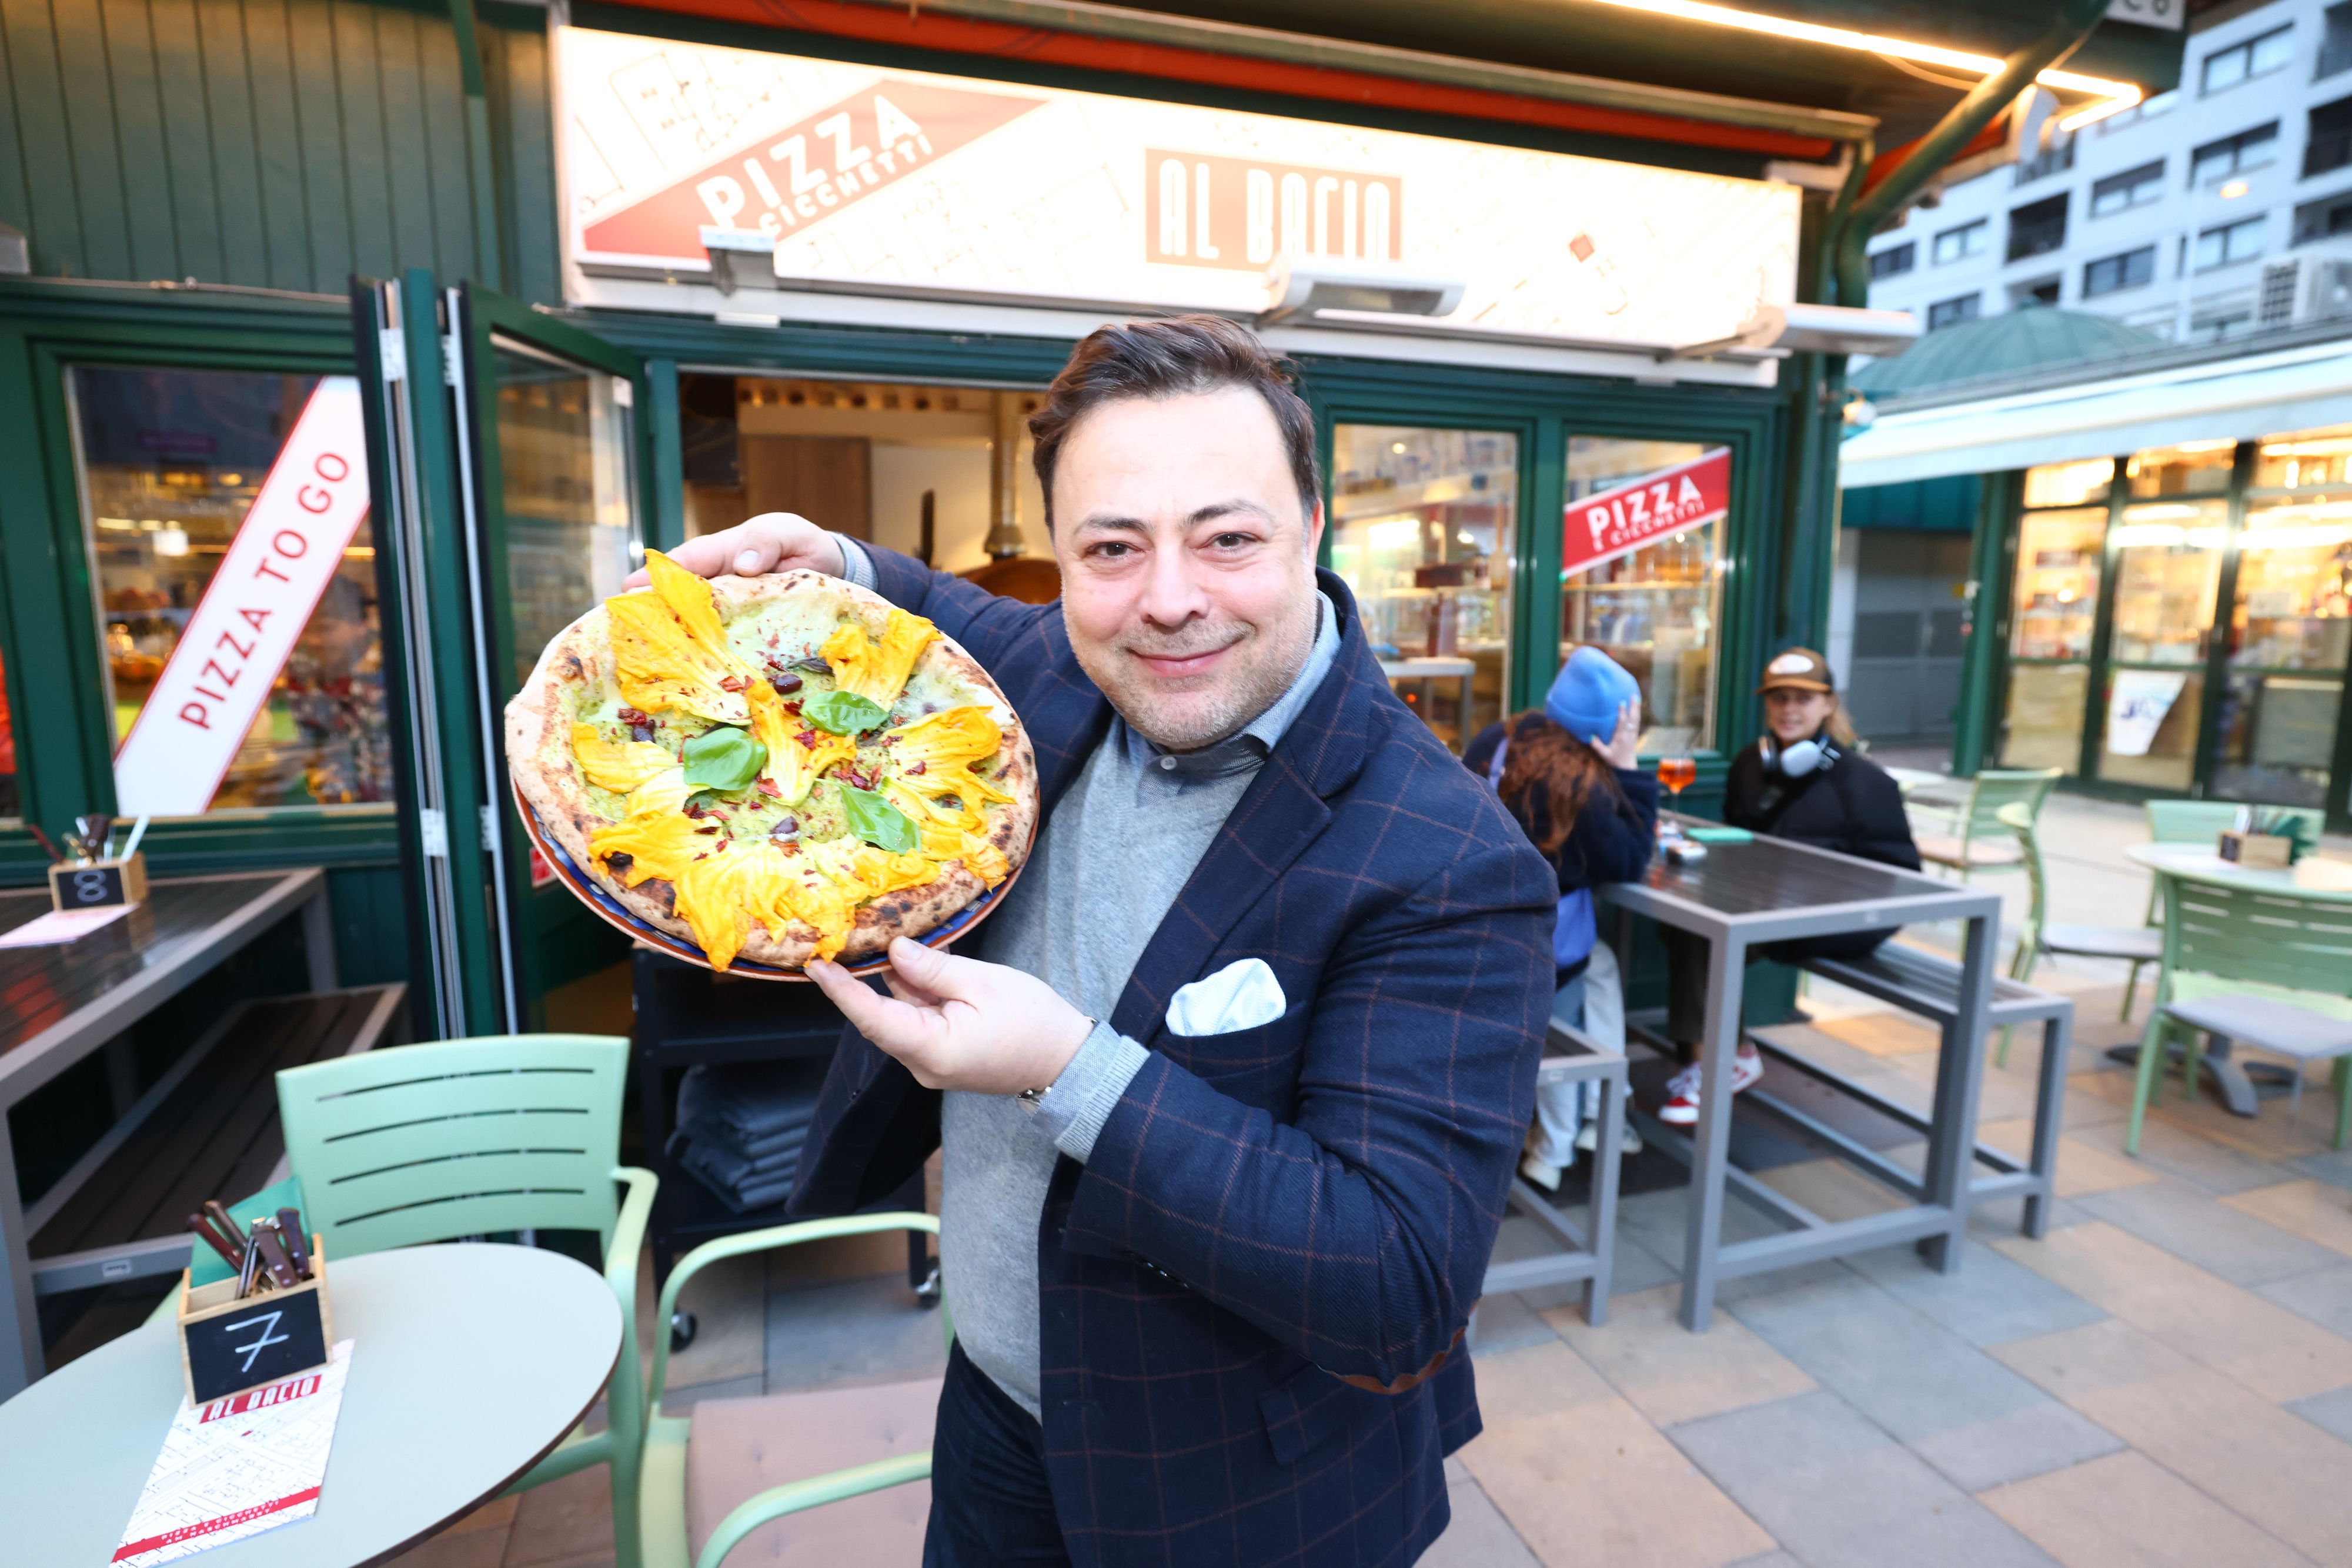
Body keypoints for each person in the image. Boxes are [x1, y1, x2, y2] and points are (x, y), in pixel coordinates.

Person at [654, 316, 1555, 1567]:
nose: (1169, 600)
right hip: (996, 1417)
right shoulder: (1058, 667)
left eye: (1226, 539)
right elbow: (947, 606)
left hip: (1243, 1492)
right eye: (1112, 548)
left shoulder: (1446, 855)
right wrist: (841, 558)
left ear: (1310, 530)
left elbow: (1396, 1282)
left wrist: (1063, 1068)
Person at [1656, 646, 1920, 1125]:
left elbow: (1899, 876)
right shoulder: (1749, 766)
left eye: (1803, 697)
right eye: (1779, 698)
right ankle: (1722, 1053)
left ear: (1829, 705)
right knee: (1685, 921)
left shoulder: (1866, 783)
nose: (1789, 709)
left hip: (1839, 921)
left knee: (1704, 934)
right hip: (1766, 910)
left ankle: (1717, 1061)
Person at [1463, 647, 1656, 1188]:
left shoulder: (1496, 742)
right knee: (1569, 1004)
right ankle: (1556, 1148)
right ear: (1613, 727)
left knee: (1602, 966)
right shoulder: (1582, 786)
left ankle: (1602, 1109)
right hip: (1538, 949)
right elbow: (1629, 860)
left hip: (1477, 929)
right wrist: (1630, 770)